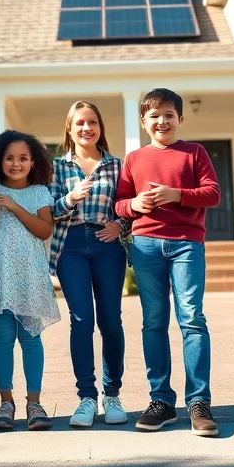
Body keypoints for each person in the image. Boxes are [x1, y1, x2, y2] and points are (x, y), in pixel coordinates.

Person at [114, 88, 221, 437]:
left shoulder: (195, 153)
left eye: (169, 115)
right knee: (153, 323)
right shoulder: (134, 159)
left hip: (187, 245)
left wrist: (178, 195)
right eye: (154, 116)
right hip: (145, 246)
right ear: (144, 122)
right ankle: (160, 400)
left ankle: (198, 402)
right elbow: (119, 204)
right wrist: (136, 205)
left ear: (180, 119)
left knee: (191, 319)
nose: (162, 121)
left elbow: (213, 193)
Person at [0, 130, 59, 431]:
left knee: (31, 339)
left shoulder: (39, 193)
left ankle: (34, 402)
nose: (16, 163)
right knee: (3, 339)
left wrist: (16, 206)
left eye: (23, 158)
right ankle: (5, 403)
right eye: (9, 158)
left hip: (30, 278)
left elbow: (44, 230)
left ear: (33, 161)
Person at [50, 101, 130, 428]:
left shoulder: (117, 166)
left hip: (107, 244)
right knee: (81, 320)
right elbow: (49, 211)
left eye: (93, 122)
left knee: (110, 321)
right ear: (69, 129)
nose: (87, 128)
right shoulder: (56, 167)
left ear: (100, 127)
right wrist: (70, 199)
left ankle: (112, 395)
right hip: (70, 245)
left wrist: (120, 226)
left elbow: (128, 206)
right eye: (80, 123)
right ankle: (86, 397)